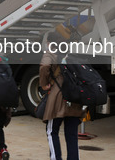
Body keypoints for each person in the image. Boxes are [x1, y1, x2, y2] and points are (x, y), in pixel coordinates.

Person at [40, 31, 86, 160]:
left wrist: (44, 84)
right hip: (74, 98)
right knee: (71, 133)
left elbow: (44, 66)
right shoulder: (69, 53)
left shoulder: (50, 54)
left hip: (58, 99)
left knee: (52, 131)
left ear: (49, 43)